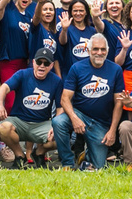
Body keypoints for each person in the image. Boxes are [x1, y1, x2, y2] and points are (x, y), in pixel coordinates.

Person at [52, 33, 124, 170]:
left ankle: (87, 155)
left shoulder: (116, 70)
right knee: (58, 122)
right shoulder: (77, 68)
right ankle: (67, 163)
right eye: (95, 49)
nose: (99, 53)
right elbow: (65, 98)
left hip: (101, 123)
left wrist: (112, 130)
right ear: (88, 50)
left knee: (99, 166)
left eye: (103, 49)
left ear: (107, 51)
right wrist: (74, 118)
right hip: (80, 114)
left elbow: (118, 103)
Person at [0, 46, 62, 168]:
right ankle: (20, 155)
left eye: (46, 63)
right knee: (3, 127)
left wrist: (56, 124)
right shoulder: (22, 74)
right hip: (19, 121)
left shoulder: (56, 81)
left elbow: (60, 108)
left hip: (41, 123)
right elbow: (3, 88)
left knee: (61, 135)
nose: (42, 66)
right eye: (39, 62)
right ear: (33, 62)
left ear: (51, 66)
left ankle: (39, 153)